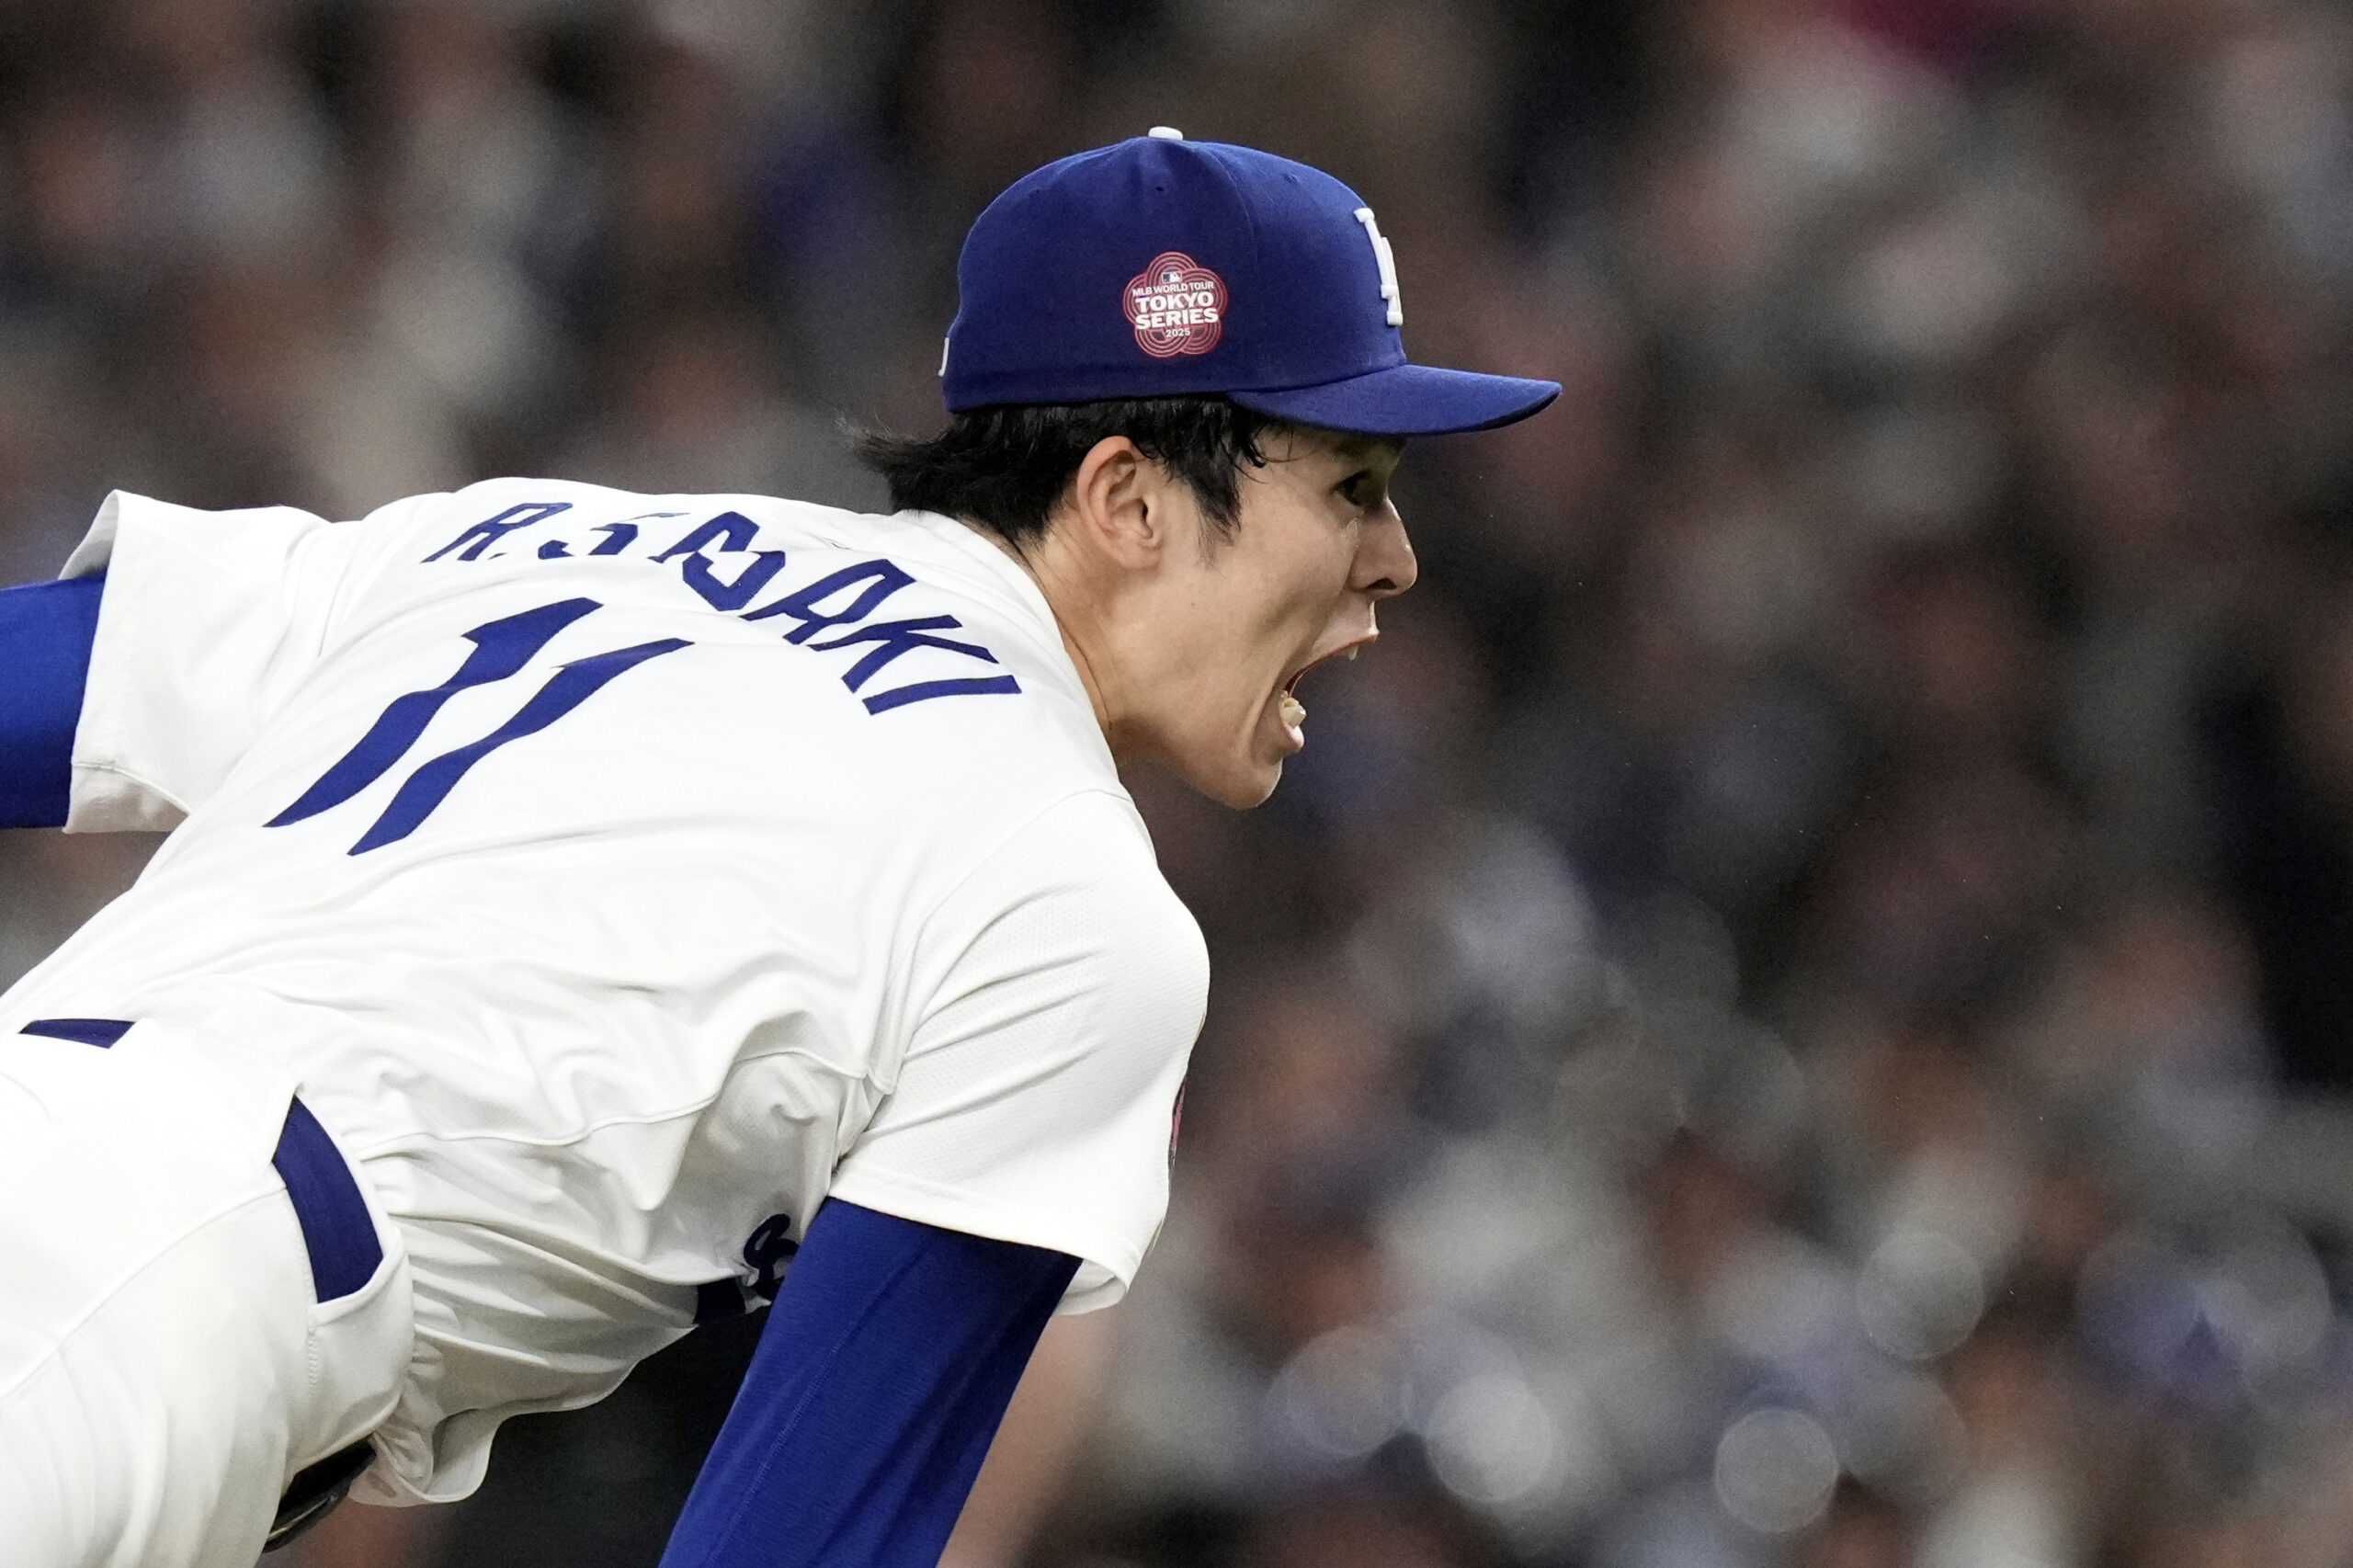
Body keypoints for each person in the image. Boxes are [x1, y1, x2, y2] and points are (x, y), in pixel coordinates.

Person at [0, 130, 1557, 1567]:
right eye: (1350, 487)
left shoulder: (549, 534)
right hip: (150, 1305)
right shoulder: (1070, 895)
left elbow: (35, 686)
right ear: (1127, 499)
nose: (1394, 560)